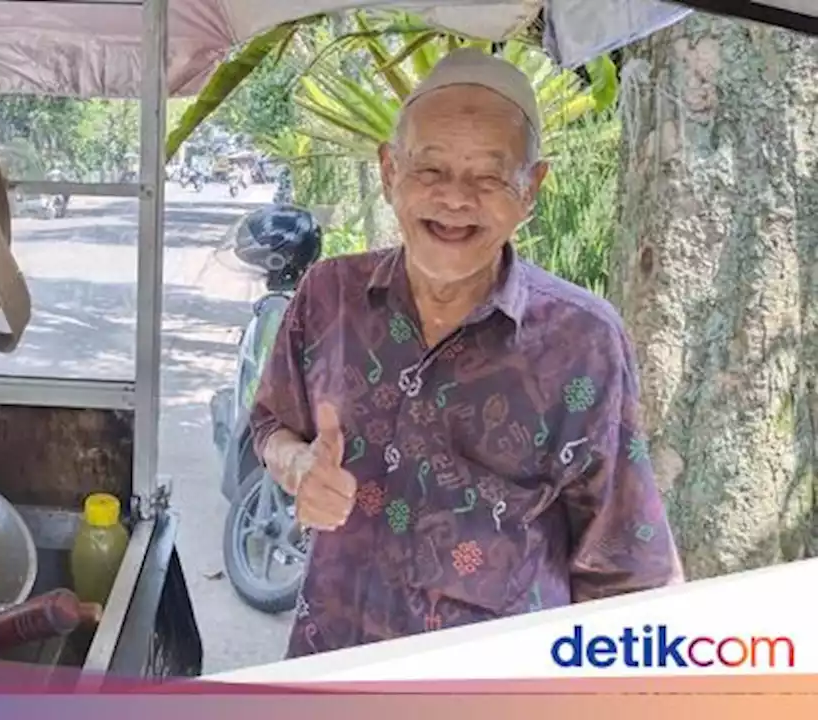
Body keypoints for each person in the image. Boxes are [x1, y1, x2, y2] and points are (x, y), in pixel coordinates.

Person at [249, 48, 684, 660]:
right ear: (387, 170)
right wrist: (297, 466)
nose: (455, 199)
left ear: (531, 189)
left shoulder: (583, 343)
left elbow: (628, 569)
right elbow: (270, 423)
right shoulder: (329, 295)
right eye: (430, 170)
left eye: (488, 176)